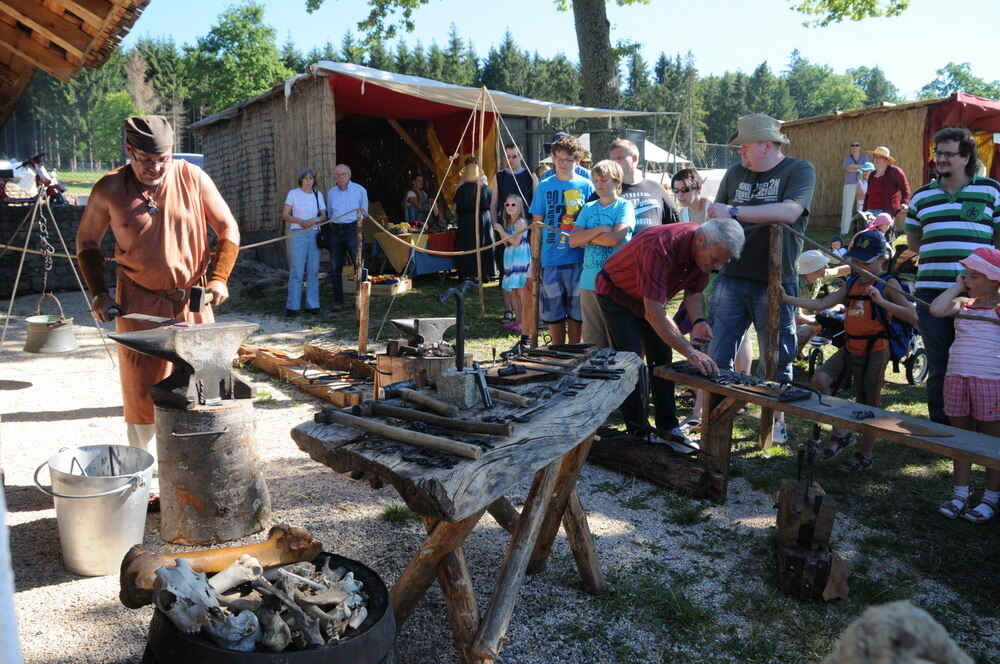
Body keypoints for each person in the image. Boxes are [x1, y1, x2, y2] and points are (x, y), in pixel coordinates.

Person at [76, 115, 240, 465]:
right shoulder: (109, 188)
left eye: (162, 159)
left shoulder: (191, 176)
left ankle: (201, 465)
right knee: (141, 391)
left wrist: (219, 278)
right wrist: (100, 294)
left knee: (204, 384)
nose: (155, 168)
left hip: (193, 299)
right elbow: (87, 242)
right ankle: (143, 472)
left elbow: (228, 228)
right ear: (129, 151)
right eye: (146, 160)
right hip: (138, 303)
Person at [705, 113, 817, 445]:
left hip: (775, 280)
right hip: (731, 274)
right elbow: (717, 212)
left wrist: (735, 213)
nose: (739, 153)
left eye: (745, 146)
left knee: (777, 356)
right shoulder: (735, 172)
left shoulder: (799, 170)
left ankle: (775, 422)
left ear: (767, 145)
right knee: (717, 352)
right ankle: (715, 420)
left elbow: (789, 212)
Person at [596, 219, 745, 452]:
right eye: (716, 259)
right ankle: (637, 431)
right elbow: (654, 313)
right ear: (701, 241)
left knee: (662, 357)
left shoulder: (703, 254)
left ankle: (668, 428)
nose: (717, 267)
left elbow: (694, 292)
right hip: (617, 293)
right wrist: (690, 352)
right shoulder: (662, 246)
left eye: (722, 262)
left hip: (647, 301)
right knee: (631, 361)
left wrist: (698, 321)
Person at [785, 229, 917, 471]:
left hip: (876, 349)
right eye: (855, 260)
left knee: (868, 404)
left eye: (864, 262)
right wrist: (786, 299)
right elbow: (821, 304)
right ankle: (842, 434)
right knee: (821, 378)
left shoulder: (889, 284)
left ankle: (865, 454)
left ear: (881, 260)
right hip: (850, 345)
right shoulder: (853, 282)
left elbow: (912, 315)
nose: (858, 265)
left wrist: (882, 301)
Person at [905, 125, 1000, 425]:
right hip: (932, 291)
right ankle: (943, 430)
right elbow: (914, 243)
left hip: (980, 296)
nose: (941, 159)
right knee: (940, 363)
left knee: (984, 365)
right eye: (938, 153)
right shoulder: (921, 197)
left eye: (948, 154)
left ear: (966, 157)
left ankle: (982, 430)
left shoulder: (991, 191)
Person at [930, 248, 1000, 522]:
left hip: (991, 381)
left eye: (974, 276)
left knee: (991, 442)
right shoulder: (962, 303)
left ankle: (991, 498)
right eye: (966, 275)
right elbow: (936, 309)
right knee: (961, 438)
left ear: (994, 280)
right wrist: (959, 286)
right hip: (956, 378)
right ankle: (960, 494)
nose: (966, 280)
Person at [528, 134, 595, 345]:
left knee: (577, 314)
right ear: (553, 158)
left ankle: (574, 354)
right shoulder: (544, 187)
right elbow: (536, 226)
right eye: (558, 158)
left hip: (579, 259)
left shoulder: (587, 186)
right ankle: (557, 354)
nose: (563, 163)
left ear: (577, 160)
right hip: (551, 260)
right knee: (554, 314)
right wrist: (534, 260)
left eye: (568, 159)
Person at [569, 159, 635, 347]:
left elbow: (616, 239)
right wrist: (602, 229)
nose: (598, 184)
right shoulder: (588, 208)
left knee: (617, 341)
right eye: (596, 180)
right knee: (593, 342)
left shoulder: (624, 207)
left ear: (616, 182)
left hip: (616, 284)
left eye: (603, 180)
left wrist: (587, 236)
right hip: (589, 282)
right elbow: (573, 240)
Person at [491, 142, 537, 321]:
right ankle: (508, 310)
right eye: (508, 157)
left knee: (526, 271)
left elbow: (538, 202)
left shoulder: (529, 176)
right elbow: (494, 203)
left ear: (520, 155)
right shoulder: (499, 177)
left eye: (514, 156)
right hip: (504, 229)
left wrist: (533, 226)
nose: (511, 160)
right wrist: (496, 225)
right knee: (506, 270)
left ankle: (529, 313)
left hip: (525, 230)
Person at [608, 138, 678, 233]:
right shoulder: (606, 190)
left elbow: (676, 224)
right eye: (612, 159)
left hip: (654, 246)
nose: (614, 163)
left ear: (634, 158)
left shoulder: (656, 188)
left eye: (619, 158)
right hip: (622, 247)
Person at [324, 163, 368, 312]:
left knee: (359, 266)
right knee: (335, 268)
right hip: (336, 230)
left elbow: (364, 212)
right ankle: (338, 302)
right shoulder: (331, 193)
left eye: (343, 174)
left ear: (349, 175)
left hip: (353, 229)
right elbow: (329, 213)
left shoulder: (360, 190)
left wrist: (354, 225)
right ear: (335, 177)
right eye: (337, 175)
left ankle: (362, 300)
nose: (340, 177)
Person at [282, 167, 326, 316]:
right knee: (297, 270)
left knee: (313, 270)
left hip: (314, 233)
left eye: (311, 178)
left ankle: (312, 304)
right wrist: (300, 221)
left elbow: (324, 215)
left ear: (314, 181)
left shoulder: (317, 194)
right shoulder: (293, 194)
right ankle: (293, 306)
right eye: (306, 178)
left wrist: (315, 220)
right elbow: (285, 215)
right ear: (301, 180)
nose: (308, 181)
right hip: (298, 232)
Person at [492, 194, 531, 332]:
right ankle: (518, 320)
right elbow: (506, 242)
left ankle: (525, 322)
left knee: (520, 291)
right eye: (507, 205)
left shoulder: (521, 221)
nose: (510, 207)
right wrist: (501, 232)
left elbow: (516, 242)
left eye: (513, 204)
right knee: (513, 292)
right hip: (510, 257)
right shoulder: (508, 222)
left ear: (519, 206)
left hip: (519, 257)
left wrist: (502, 231)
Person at [454, 163, 494, 282]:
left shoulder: (462, 190)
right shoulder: (486, 189)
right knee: (483, 244)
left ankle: (470, 272)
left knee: (469, 244)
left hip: (467, 220)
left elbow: (457, 207)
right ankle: (485, 272)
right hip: (483, 218)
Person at [863, 146, 910, 228]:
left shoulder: (895, 172)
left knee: (883, 238)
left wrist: (904, 203)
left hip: (886, 212)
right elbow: (867, 195)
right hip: (870, 212)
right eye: (875, 157)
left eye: (880, 157)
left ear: (886, 160)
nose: (876, 160)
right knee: (871, 237)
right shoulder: (872, 175)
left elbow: (905, 189)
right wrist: (864, 211)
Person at [841, 139, 866, 235]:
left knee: (861, 207)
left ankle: (860, 230)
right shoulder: (847, 158)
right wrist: (860, 167)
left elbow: (866, 169)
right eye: (853, 145)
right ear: (851, 148)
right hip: (849, 183)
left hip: (862, 184)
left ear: (860, 147)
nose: (855, 147)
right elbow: (848, 169)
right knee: (847, 207)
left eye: (857, 145)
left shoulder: (865, 157)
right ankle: (844, 231)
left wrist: (854, 166)